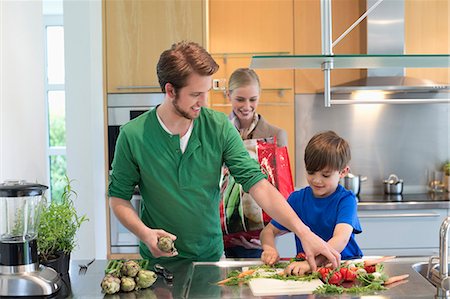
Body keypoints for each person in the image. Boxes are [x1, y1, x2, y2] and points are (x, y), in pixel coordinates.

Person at [108, 41, 340, 270]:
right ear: (170, 91)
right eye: (196, 94)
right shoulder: (133, 135)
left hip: (209, 258)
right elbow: (118, 199)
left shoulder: (218, 127)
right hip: (158, 264)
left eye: (207, 92)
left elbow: (257, 184)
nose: (204, 102)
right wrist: (145, 233)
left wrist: (304, 232)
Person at [260, 130, 363, 275]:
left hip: (344, 268)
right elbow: (268, 231)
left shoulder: (346, 200)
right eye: (311, 172)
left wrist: (310, 263)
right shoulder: (296, 199)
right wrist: (269, 248)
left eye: (325, 175)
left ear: (343, 172)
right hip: (308, 271)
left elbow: (341, 238)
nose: (316, 180)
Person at [223, 68, 288, 258]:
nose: (247, 106)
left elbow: (282, 190)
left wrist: (271, 234)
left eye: (253, 99)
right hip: (219, 235)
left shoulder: (275, 135)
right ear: (229, 95)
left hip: (260, 238)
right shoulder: (218, 132)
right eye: (240, 99)